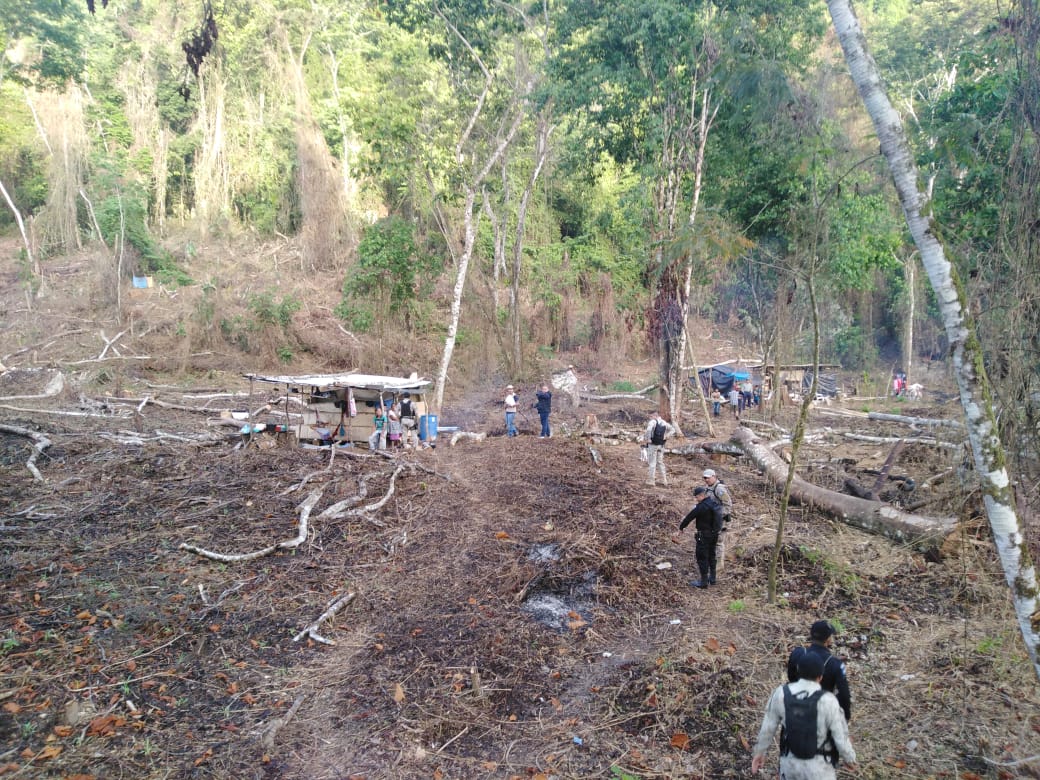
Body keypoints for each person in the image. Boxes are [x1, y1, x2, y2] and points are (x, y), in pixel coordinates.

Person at [751, 653, 857, 778]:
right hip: (820, 768)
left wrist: (759, 752)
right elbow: (840, 737)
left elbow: (768, 728)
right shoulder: (829, 700)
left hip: (790, 765)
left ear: (798, 671)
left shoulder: (781, 693)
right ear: (820, 677)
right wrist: (850, 758)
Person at [787, 621, 852, 723]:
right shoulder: (835, 664)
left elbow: (791, 677)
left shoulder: (797, 653)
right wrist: (845, 717)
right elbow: (844, 695)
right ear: (828, 639)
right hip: (821, 714)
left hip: (795, 709)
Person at [673, 486, 723, 588]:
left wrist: (681, 528)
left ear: (701, 495)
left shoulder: (701, 507)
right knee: (712, 555)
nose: (696, 499)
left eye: (696, 497)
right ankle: (713, 578)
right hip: (714, 534)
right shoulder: (714, 503)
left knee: (702, 557)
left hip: (704, 536)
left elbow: (689, 517)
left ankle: (703, 582)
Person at [703, 468, 733, 571]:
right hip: (712, 520)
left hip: (720, 520)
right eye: (705, 478)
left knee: (718, 541)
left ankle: (719, 564)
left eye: (708, 478)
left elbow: (728, 505)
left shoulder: (719, 489)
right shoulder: (709, 488)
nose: (706, 480)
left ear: (714, 477)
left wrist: (717, 514)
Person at [640, 411, 675, 487]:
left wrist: (648, 439)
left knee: (652, 463)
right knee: (660, 462)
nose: (650, 418)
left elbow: (649, 430)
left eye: (650, 416)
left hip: (653, 445)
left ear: (653, 416)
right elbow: (673, 430)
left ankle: (651, 481)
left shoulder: (652, 422)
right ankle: (664, 480)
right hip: (661, 445)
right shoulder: (664, 422)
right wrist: (666, 436)